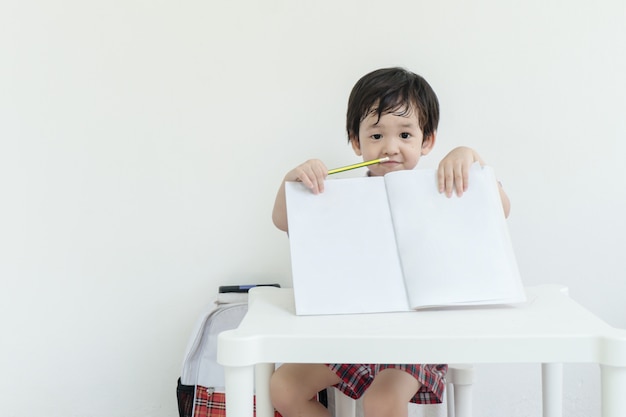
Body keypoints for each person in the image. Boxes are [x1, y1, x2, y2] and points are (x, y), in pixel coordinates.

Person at [270, 67, 510, 417]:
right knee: (283, 386)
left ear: (427, 141)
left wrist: (469, 157)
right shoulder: (338, 197)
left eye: (406, 135)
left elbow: (499, 211)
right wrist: (292, 181)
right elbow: (282, 220)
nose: (391, 147)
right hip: (353, 335)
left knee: (381, 401)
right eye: (377, 135)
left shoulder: (441, 188)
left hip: (415, 344)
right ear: (356, 142)